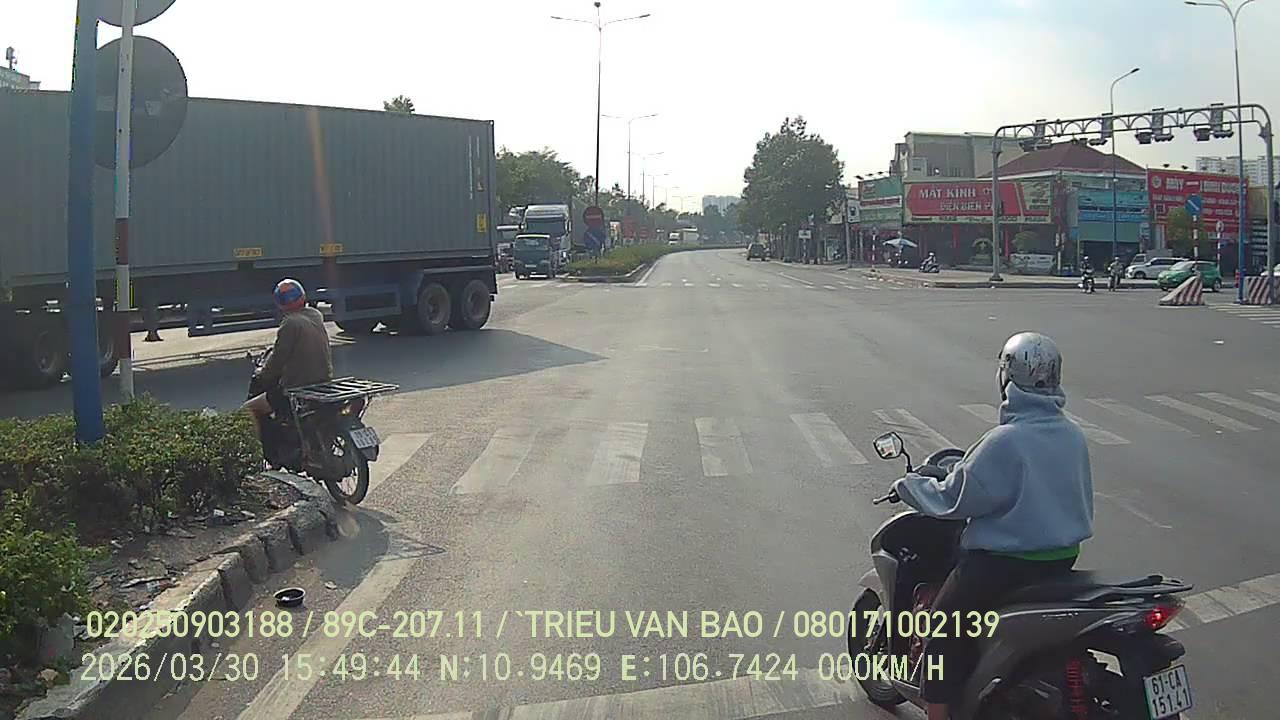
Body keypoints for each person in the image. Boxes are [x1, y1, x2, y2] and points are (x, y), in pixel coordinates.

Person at [890, 332, 1094, 720]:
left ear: (1007, 378)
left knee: (943, 630)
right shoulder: (1072, 434)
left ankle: (937, 713)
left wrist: (909, 486)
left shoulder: (1005, 440)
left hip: (1003, 565)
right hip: (1061, 559)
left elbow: (954, 498)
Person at [242, 279, 334, 439]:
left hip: (296, 388)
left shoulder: (290, 323)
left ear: (280, 303)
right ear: (302, 296)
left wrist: (263, 373)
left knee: (248, 409)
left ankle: (256, 451)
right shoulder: (315, 315)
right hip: (323, 382)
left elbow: (278, 358)